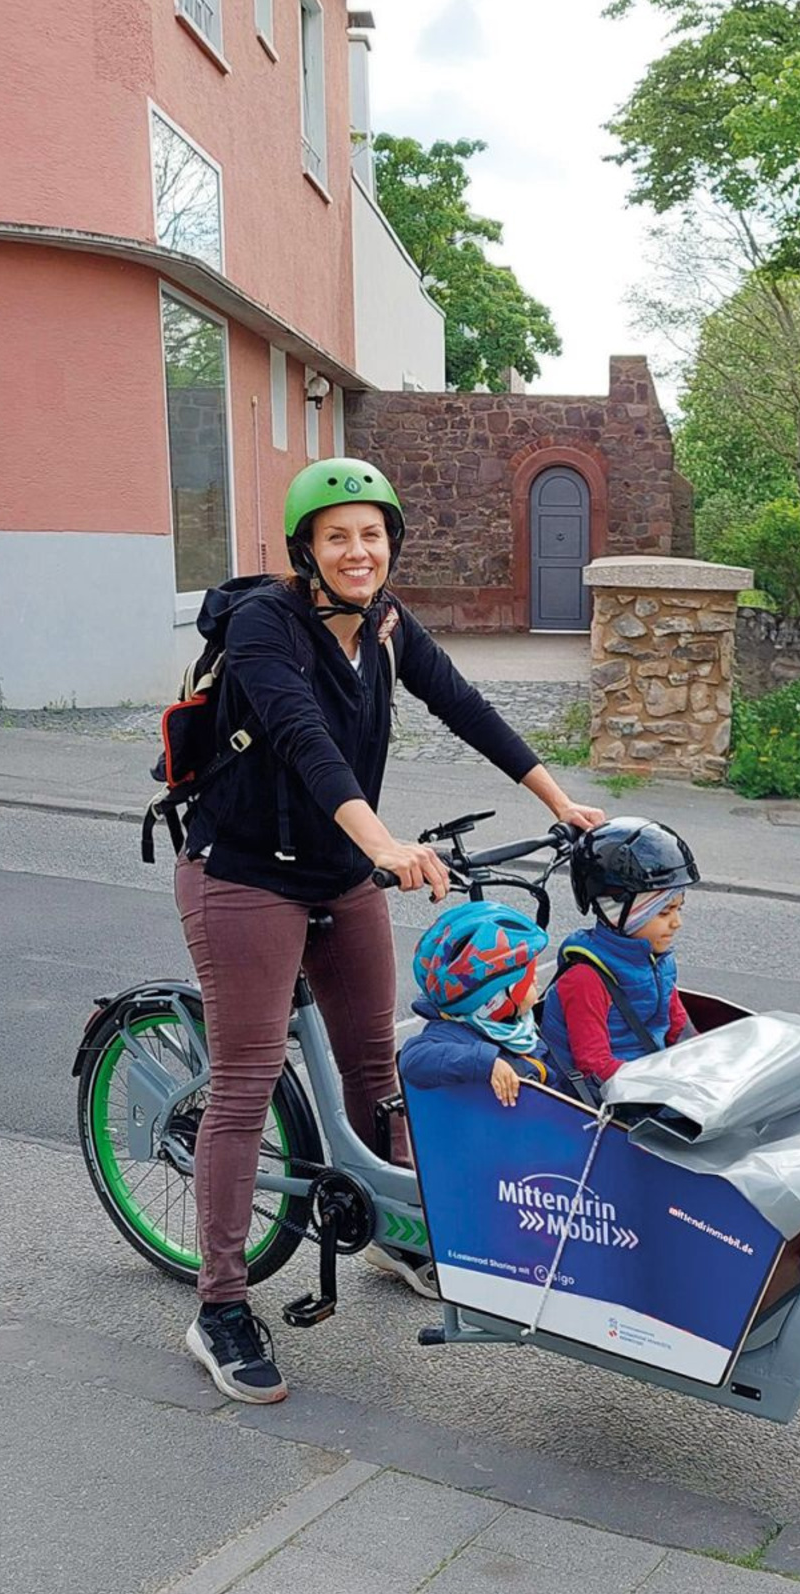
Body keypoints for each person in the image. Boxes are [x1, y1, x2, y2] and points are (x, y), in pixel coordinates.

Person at [175, 457, 605, 1404]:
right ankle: (220, 1305)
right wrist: (384, 843)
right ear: (306, 550)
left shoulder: (386, 625)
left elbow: (465, 708)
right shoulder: (264, 626)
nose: (357, 551)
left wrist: (561, 801)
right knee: (245, 1084)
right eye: (337, 537)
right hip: (242, 874)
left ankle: (395, 1232)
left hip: (338, 871)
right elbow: (305, 741)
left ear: (390, 544)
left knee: (378, 1066)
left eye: (371, 534)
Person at [540, 818, 700, 1100]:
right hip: (602, 1096)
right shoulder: (585, 979)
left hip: (647, 1077)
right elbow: (594, 1066)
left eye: (679, 909)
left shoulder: (657, 960)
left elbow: (679, 1029)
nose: (677, 923)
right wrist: (663, 1088)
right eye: (664, 912)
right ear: (617, 912)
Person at [399, 900, 561, 1104]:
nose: (535, 980)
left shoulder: (516, 1026)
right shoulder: (452, 1034)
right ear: (496, 1000)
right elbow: (412, 1059)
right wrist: (485, 1062)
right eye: (528, 977)